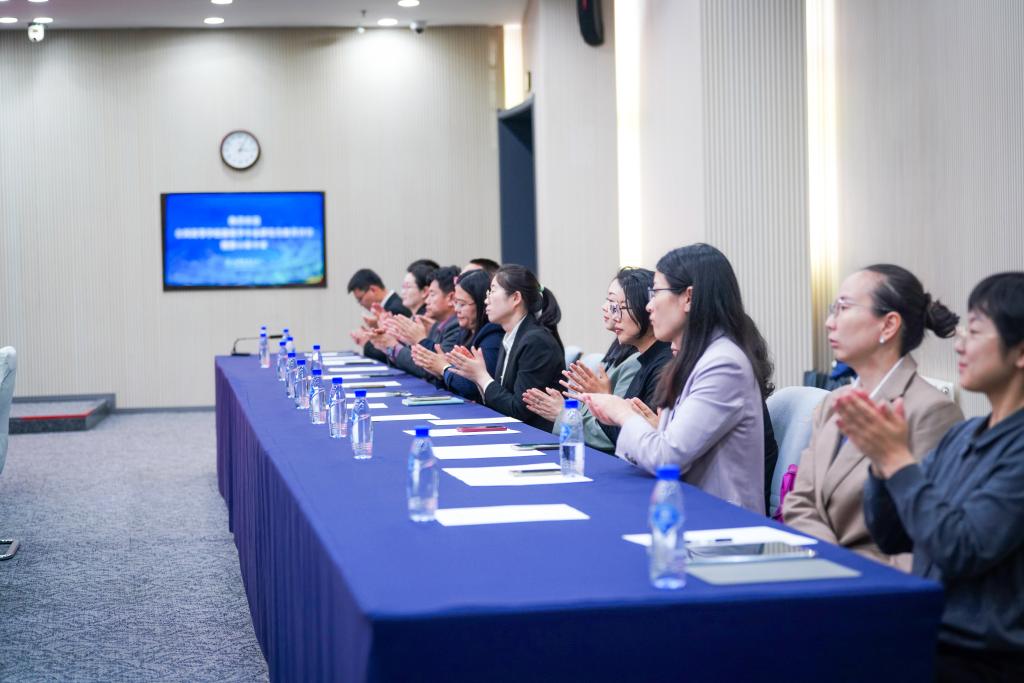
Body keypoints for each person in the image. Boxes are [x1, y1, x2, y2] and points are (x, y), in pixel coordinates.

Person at [837, 272, 1024, 681]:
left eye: (976, 331)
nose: (959, 343)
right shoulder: (963, 435)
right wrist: (881, 464)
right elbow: (894, 535)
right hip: (925, 631)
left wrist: (898, 461)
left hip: (981, 659)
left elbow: (959, 548)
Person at [784, 265, 963, 567]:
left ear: (888, 325)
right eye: (832, 309)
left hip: (880, 578)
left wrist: (849, 573)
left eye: (843, 308)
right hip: (821, 567)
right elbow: (800, 500)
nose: (829, 322)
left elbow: (924, 531)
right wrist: (829, 562)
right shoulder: (834, 402)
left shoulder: (931, 411)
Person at [583, 244, 773, 514]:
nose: (648, 306)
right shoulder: (697, 356)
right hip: (688, 507)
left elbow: (667, 459)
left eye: (656, 293)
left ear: (688, 297)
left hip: (718, 522)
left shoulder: (723, 364)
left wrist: (623, 413)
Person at [522, 269, 656, 452]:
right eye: (609, 302)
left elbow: (618, 434)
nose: (606, 309)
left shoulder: (640, 361)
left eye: (614, 305)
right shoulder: (627, 349)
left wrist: (566, 413)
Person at [445, 264, 564, 430]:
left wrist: (481, 376)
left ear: (515, 298)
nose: (486, 300)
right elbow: (503, 400)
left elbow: (518, 411)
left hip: (538, 437)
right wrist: (475, 375)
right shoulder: (510, 335)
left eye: (492, 291)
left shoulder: (536, 342)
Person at [411, 269, 503, 401]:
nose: (456, 309)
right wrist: (439, 371)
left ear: (482, 303)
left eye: (462, 304)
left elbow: (473, 388)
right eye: (456, 302)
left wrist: (443, 368)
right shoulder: (465, 332)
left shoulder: (492, 336)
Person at [373, 266, 463, 378]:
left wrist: (415, 341)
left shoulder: (455, 326)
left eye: (432, 294)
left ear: (450, 298)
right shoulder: (436, 324)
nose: (427, 300)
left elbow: (430, 371)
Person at [347, 268, 410, 359]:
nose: (360, 304)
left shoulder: (396, 310)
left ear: (373, 289)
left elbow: (391, 354)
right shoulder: (392, 305)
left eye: (360, 299)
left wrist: (366, 342)